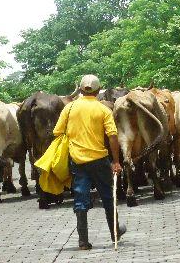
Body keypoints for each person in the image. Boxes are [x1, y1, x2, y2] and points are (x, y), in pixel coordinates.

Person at [53, 74, 127, 250]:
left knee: (80, 197)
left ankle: (83, 242)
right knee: (108, 196)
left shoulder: (69, 108)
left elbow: (57, 132)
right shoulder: (103, 109)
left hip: (77, 160)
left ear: (80, 89)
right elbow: (113, 136)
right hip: (100, 160)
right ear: (98, 91)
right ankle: (114, 232)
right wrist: (116, 161)